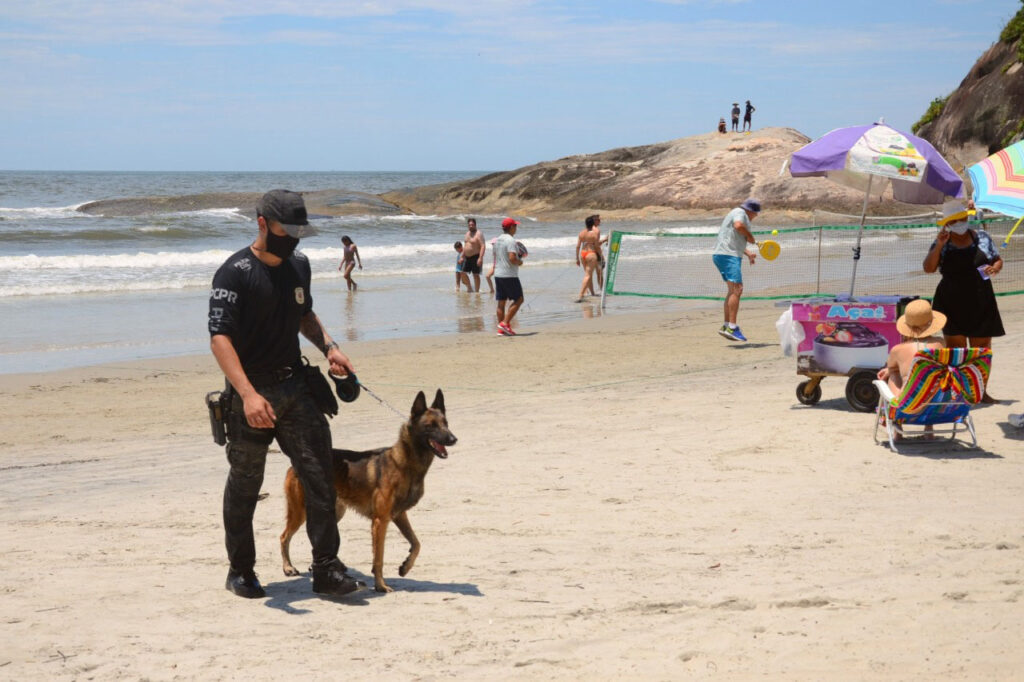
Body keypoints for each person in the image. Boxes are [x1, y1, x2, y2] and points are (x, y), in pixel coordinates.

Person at [208, 190, 364, 599]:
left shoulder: (299, 265)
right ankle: (241, 570)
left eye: (299, 231)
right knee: (246, 483)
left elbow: (304, 315)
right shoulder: (234, 273)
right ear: (262, 223)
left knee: (320, 478)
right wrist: (246, 394)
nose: (294, 238)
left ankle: (326, 569)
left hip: (297, 387)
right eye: (286, 230)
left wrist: (330, 348)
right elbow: (219, 338)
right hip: (252, 394)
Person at [923, 199, 1005, 403]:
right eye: (955, 220)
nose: (960, 223)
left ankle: (981, 392)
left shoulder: (982, 237)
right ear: (947, 223)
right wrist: (939, 244)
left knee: (981, 351)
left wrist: (995, 267)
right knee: (956, 352)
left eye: (962, 218)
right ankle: (958, 392)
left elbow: (997, 258)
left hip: (981, 299)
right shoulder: (943, 242)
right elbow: (928, 268)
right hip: (950, 302)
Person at [712, 198, 760, 342]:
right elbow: (738, 226)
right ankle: (732, 328)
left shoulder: (734, 212)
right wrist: (750, 236)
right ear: (751, 211)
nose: (754, 218)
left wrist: (748, 253)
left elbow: (731, 239)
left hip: (722, 255)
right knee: (738, 290)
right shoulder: (740, 213)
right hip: (729, 257)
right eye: (755, 215)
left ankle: (726, 326)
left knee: (732, 291)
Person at [876, 299, 946, 395]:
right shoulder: (941, 343)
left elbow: (895, 368)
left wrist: (891, 371)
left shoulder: (897, 350)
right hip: (939, 402)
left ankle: (896, 401)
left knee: (894, 372)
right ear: (932, 323)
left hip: (910, 405)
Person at [494, 217, 524, 336]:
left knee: (501, 302)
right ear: (511, 227)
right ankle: (505, 323)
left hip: (498, 274)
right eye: (515, 226)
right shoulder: (511, 240)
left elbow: (497, 256)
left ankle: (502, 329)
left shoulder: (497, 240)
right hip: (509, 275)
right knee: (519, 299)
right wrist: (520, 261)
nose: (516, 228)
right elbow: (512, 258)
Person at [462, 217, 486, 292]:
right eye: (469, 225)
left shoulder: (479, 234)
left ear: (475, 225)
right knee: (462, 273)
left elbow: (483, 246)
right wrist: (462, 256)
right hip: (467, 257)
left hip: (476, 256)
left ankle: (477, 291)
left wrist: (480, 258)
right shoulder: (467, 233)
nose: (471, 226)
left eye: (472, 225)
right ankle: (469, 287)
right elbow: (465, 245)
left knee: (475, 275)